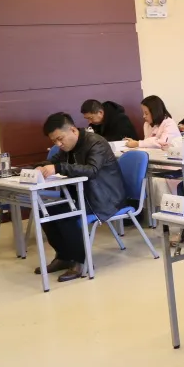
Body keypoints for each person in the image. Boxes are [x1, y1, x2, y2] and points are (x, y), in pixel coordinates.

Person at [36, 113, 126, 282]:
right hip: (82, 196)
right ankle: (64, 256)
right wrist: (41, 167)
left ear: (73, 130)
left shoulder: (96, 143)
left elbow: (92, 170)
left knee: (66, 215)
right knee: (44, 211)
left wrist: (58, 168)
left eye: (60, 139)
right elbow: (54, 162)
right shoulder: (67, 147)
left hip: (104, 197)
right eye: (54, 141)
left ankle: (80, 261)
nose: (58, 144)